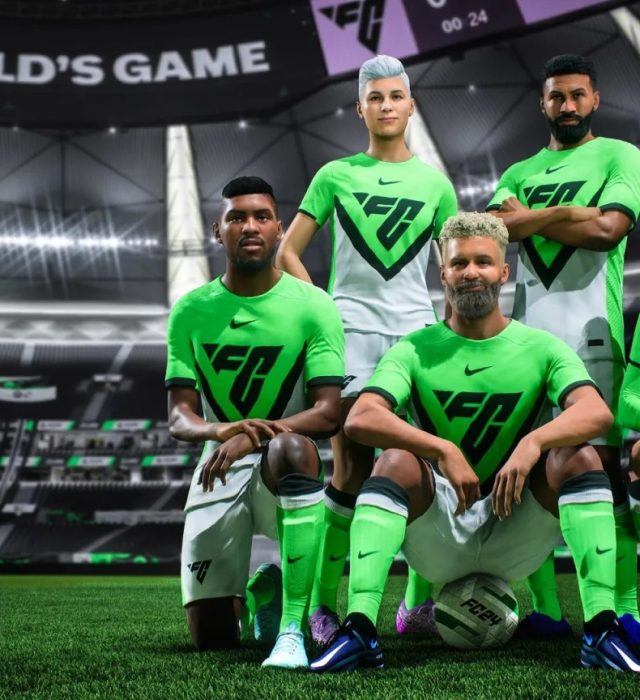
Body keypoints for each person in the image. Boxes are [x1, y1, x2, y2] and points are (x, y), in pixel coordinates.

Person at [310, 212, 640, 673]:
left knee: (578, 455)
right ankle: (360, 630)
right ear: (443, 274)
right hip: (439, 536)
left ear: (503, 272)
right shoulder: (414, 349)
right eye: (459, 263)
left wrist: (533, 444)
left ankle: (601, 630)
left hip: (516, 529)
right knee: (396, 461)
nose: (470, 273)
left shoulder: (541, 347)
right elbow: (361, 418)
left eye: (482, 262)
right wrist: (441, 449)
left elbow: (597, 413)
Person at [276, 54, 458, 645]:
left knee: (421, 467)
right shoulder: (335, 175)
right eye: (375, 97)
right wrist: (325, 311)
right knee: (351, 467)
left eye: (395, 96)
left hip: (417, 337)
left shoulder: (436, 184)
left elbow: (453, 267)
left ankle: (416, 603)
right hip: (351, 335)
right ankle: (323, 608)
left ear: (411, 105)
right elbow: (286, 252)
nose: (386, 105)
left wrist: (450, 331)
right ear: (360, 108)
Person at [486, 53, 640, 637]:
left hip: (593, 339)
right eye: (557, 96)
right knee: (523, 475)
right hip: (523, 347)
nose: (567, 105)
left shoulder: (621, 155)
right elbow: (495, 231)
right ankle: (547, 613)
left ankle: (626, 611)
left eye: (577, 95)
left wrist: (532, 216)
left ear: (595, 99)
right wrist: (568, 211)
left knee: (602, 474)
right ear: (542, 103)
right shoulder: (517, 170)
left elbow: (609, 229)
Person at [165, 176, 344, 669]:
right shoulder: (190, 311)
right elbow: (179, 416)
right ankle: (263, 590)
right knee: (213, 638)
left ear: (278, 229)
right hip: (218, 466)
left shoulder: (314, 305)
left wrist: (249, 436)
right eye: (236, 217)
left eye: (262, 217)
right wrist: (220, 430)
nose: (250, 226)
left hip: (285, 468)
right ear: (216, 231)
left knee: (292, 447)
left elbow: (328, 412)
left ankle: (291, 629)